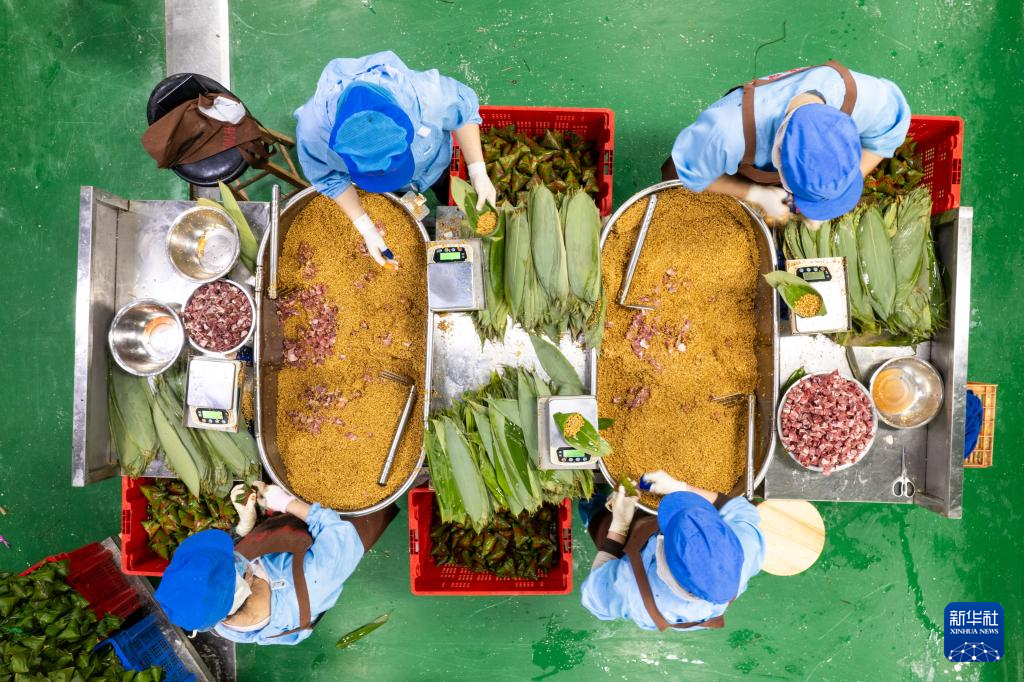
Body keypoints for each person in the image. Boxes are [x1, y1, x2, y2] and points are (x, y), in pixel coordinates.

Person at [294, 51, 496, 267]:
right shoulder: (313, 136)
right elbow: (329, 179)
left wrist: (477, 171)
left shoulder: (428, 96)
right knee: (403, 197)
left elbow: (464, 111)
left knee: (444, 185)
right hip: (396, 189)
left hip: (434, 165)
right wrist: (365, 227)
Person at [663, 61, 910, 227]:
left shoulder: (863, 96)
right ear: (778, 155)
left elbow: (885, 138)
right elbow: (684, 174)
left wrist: (834, 191)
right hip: (727, 148)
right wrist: (754, 193)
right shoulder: (724, 134)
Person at [154, 482, 395, 645]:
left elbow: (222, 578)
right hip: (346, 521)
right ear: (247, 575)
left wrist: (245, 526)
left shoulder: (222, 621)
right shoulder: (314, 579)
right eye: (232, 560)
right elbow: (338, 531)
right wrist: (287, 503)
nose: (236, 555)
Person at [580, 471, 765, 631]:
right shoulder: (745, 547)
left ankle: (589, 501)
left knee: (594, 510)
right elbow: (739, 508)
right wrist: (682, 488)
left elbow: (595, 598)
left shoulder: (630, 590)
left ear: (662, 553)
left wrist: (619, 525)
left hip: (630, 542)